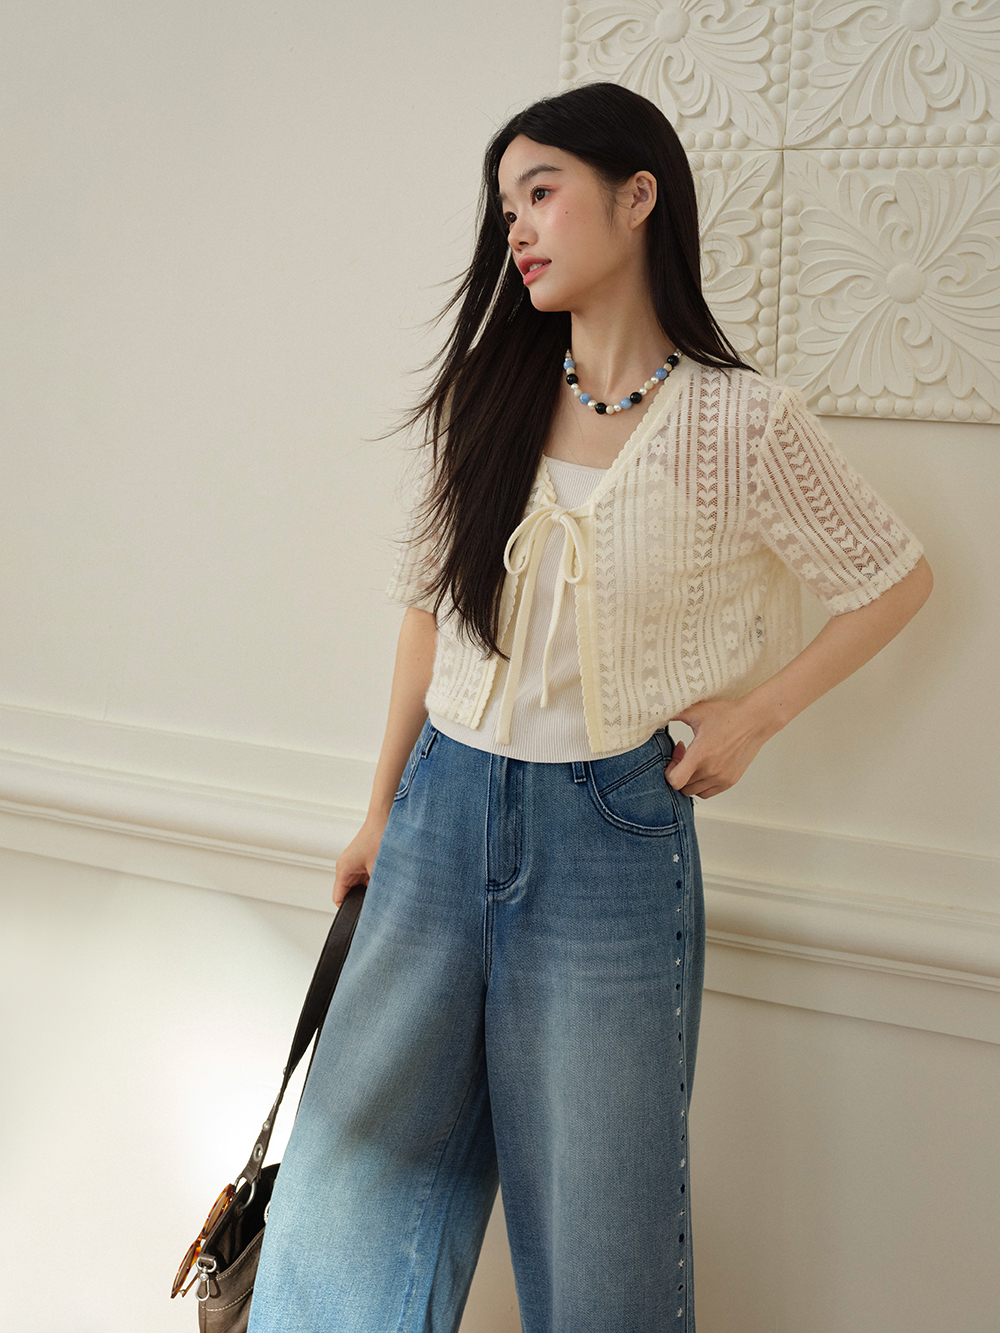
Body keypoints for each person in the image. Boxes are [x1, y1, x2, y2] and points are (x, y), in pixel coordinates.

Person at [246, 82, 932, 1333]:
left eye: (541, 190)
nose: (515, 224)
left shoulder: (742, 422)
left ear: (636, 195)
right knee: (342, 1213)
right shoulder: (489, 395)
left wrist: (755, 716)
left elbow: (894, 579)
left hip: (609, 838)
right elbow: (427, 614)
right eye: (504, 203)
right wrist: (379, 809)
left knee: (601, 1233)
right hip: (438, 813)